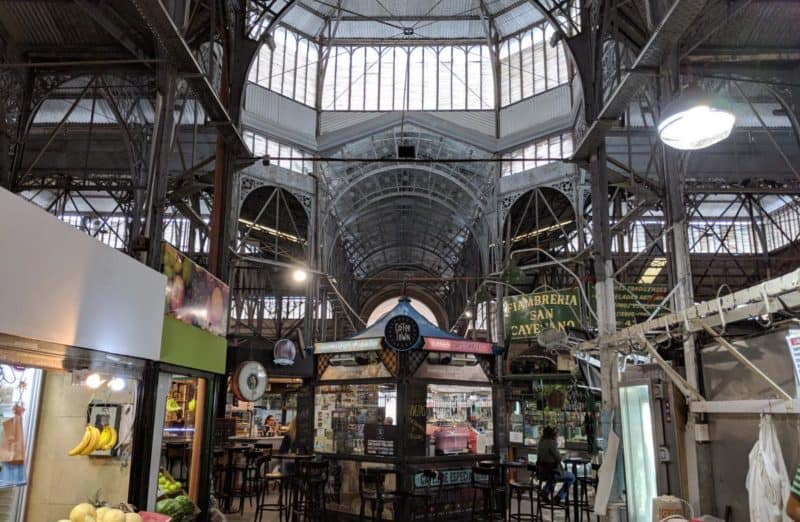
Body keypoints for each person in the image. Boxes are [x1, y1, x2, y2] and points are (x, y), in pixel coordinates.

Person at [536, 426, 575, 505]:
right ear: (553, 434)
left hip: (542, 472)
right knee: (571, 477)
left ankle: (545, 491)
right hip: (552, 472)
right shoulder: (551, 443)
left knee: (552, 477)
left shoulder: (541, 443)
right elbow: (559, 458)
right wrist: (564, 456)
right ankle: (558, 497)